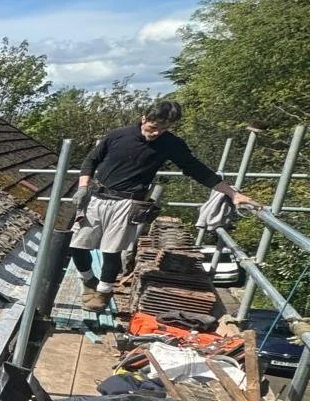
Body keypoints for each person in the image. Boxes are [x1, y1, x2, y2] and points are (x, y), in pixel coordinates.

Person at [70, 100, 255, 312]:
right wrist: (83, 187)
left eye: (163, 129)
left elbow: (196, 169)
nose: (157, 133)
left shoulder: (171, 144)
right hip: (97, 196)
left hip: (127, 202)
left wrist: (233, 194)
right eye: (153, 127)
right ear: (144, 119)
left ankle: (102, 293)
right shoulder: (118, 135)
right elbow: (91, 160)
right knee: (78, 245)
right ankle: (88, 281)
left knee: (111, 251)